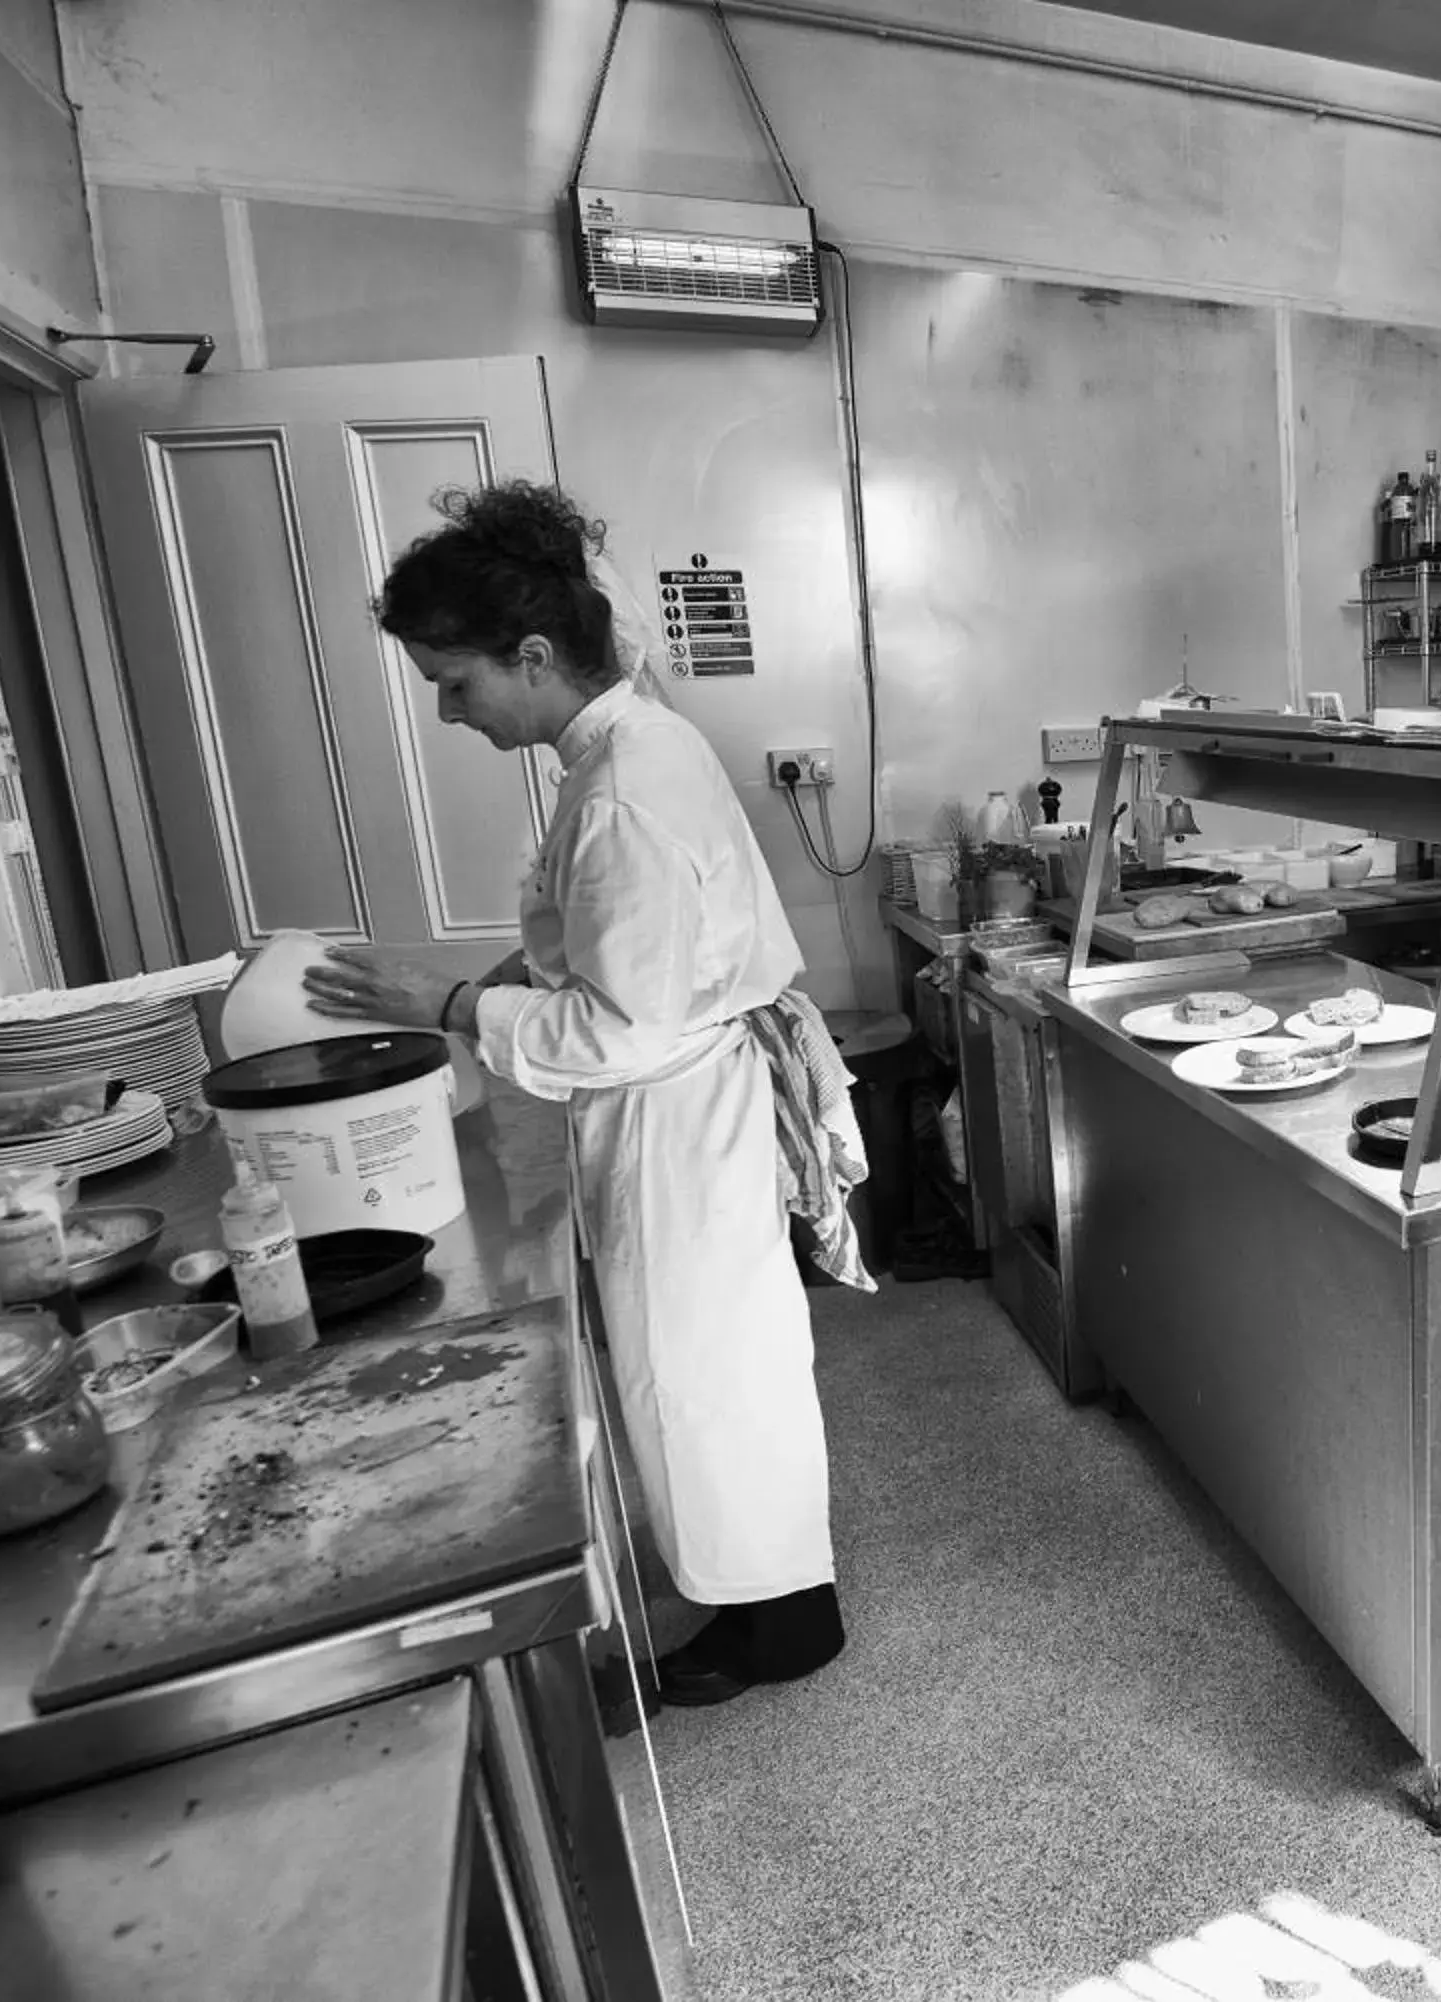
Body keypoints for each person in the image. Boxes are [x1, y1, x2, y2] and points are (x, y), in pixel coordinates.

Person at [303, 481, 866, 1705]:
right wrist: (509, 971)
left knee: (701, 1377)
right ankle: (761, 1593)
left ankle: (779, 1625)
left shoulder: (624, 789)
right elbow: (617, 950)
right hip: (683, 1099)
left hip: (680, 1120)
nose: (449, 711)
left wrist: (446, 1004)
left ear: (537, 654)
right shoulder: (624, 742)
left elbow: (618, 1021)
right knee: (721, 1371)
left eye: (456, 680)